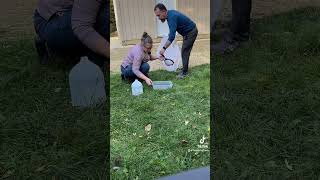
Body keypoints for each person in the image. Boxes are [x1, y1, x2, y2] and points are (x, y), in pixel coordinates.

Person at [33, 0, 109, 73]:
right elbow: (82, 27)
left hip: (73, 12)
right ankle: (52, 47)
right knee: (105, 16)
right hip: (52, 21)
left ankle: (94, 59)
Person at [154, 3, 198, 79]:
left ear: (164, 11)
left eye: (158, 15)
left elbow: (171, 36)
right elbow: (172, 32)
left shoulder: (171, 17)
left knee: (184, 51)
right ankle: (184, 69)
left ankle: (184, 72)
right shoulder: (169, 15)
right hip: (188, 33)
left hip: (191, 32)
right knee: (184, 51)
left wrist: (164, 48)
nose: (158, 18)